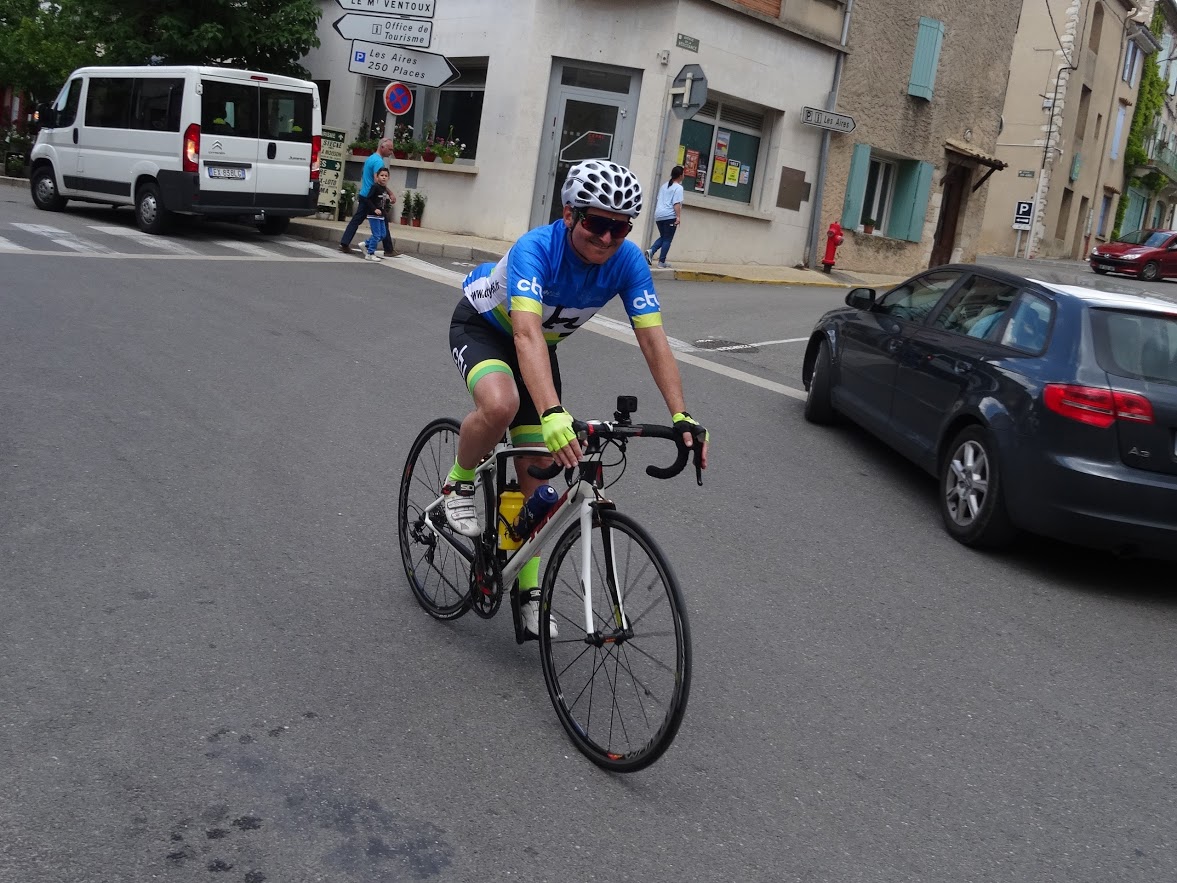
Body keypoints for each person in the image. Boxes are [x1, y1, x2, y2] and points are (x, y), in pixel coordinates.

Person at [443, 160, 710, 637]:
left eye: (620, 227)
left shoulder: (628, 262)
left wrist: (682, 414)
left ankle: (528, 591)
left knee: (538, 487)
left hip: (539, 350)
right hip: (487, 328)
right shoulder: (535, 249)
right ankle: (457, 485)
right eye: (596, 222)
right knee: (502, 404)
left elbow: (653, 340)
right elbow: (524, 334)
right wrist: (550, 412)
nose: (607, 238)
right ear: (569, 214)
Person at [340, 137, 400, 257]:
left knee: (357, 220)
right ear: (382, 147)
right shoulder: (378, 162)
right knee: (383, 221)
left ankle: (344, 243)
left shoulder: (370, 158)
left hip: (364, 194)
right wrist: (390, 193)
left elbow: (365, 175)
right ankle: (388, 249)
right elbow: (378, 181)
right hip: (373, 197)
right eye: (390, 149)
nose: (391, 152)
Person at [644, 165, 684, 269]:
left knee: (663, 237)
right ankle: (661, 262)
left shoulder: (664, 186)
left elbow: (659, 199)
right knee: (667, 239)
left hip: (659, 216)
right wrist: (678, 217)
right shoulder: (678, 188)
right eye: (683, 173)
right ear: (680, 175)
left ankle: (651, 251)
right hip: (669, 215)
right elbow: (676, 204)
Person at [361, 168, 396, 262]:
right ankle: (370, 253)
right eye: (382, 175)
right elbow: (367, 199)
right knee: (376, 235)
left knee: (383, 235)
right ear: (377, 177)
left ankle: (366, 244)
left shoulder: (384, 188)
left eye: (386, 176)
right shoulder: (375, 187)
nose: (384, 178)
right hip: (374, 215)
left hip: (381, 215)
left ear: (388, 177)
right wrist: (374, 209)